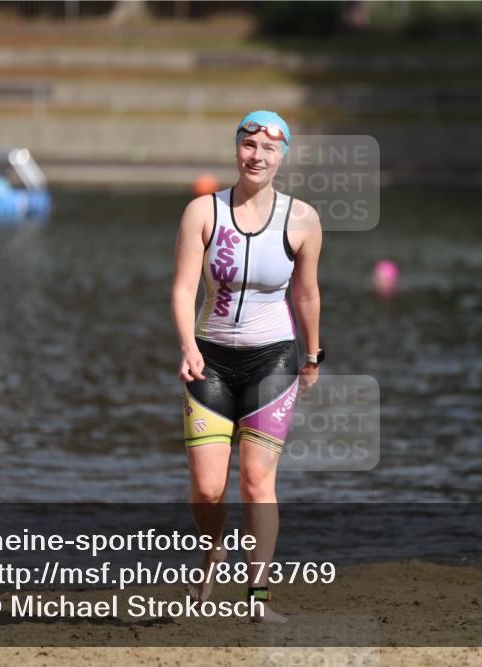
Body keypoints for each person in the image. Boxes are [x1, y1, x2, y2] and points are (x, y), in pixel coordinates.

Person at [171, 110, 323, 622]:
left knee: (258, 483)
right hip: (208, 358)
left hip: (273, 359)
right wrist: (187, 346)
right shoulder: (202, 212)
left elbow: (306, 293)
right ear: (237, 148)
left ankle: (257, 596)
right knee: (208, 488)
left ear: (283, 156)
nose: (257, 156)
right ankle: (212, 553)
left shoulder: (302, 219)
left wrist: (314, 355)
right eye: (249, 145)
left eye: (269, 148)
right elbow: (181, 288)